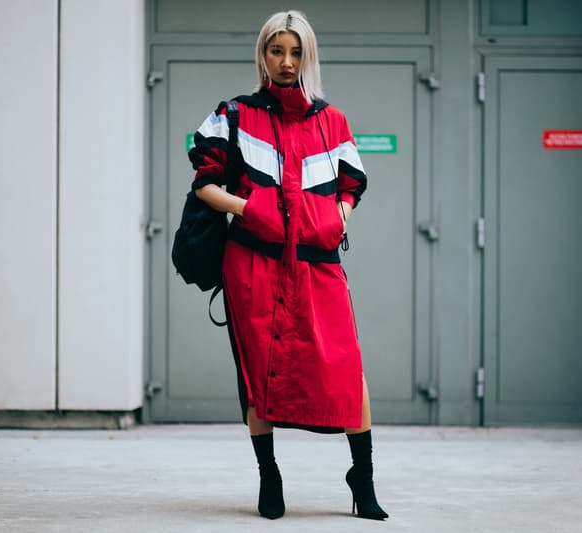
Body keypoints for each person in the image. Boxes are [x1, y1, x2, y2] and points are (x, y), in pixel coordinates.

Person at [188, 10, 388, 521]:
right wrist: (249, 209)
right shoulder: (234, 115)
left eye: (296, 52)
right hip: (253, 265)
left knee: (347, 369)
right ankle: (269, 476)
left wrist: (339, 218)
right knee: (260, 371)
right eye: (277, 50)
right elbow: (205, 186)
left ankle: (363, 477)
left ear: (309, 56)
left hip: (318, 265)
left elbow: (352, 185)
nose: (286, 62)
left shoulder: (331, 120)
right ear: (263, 54)